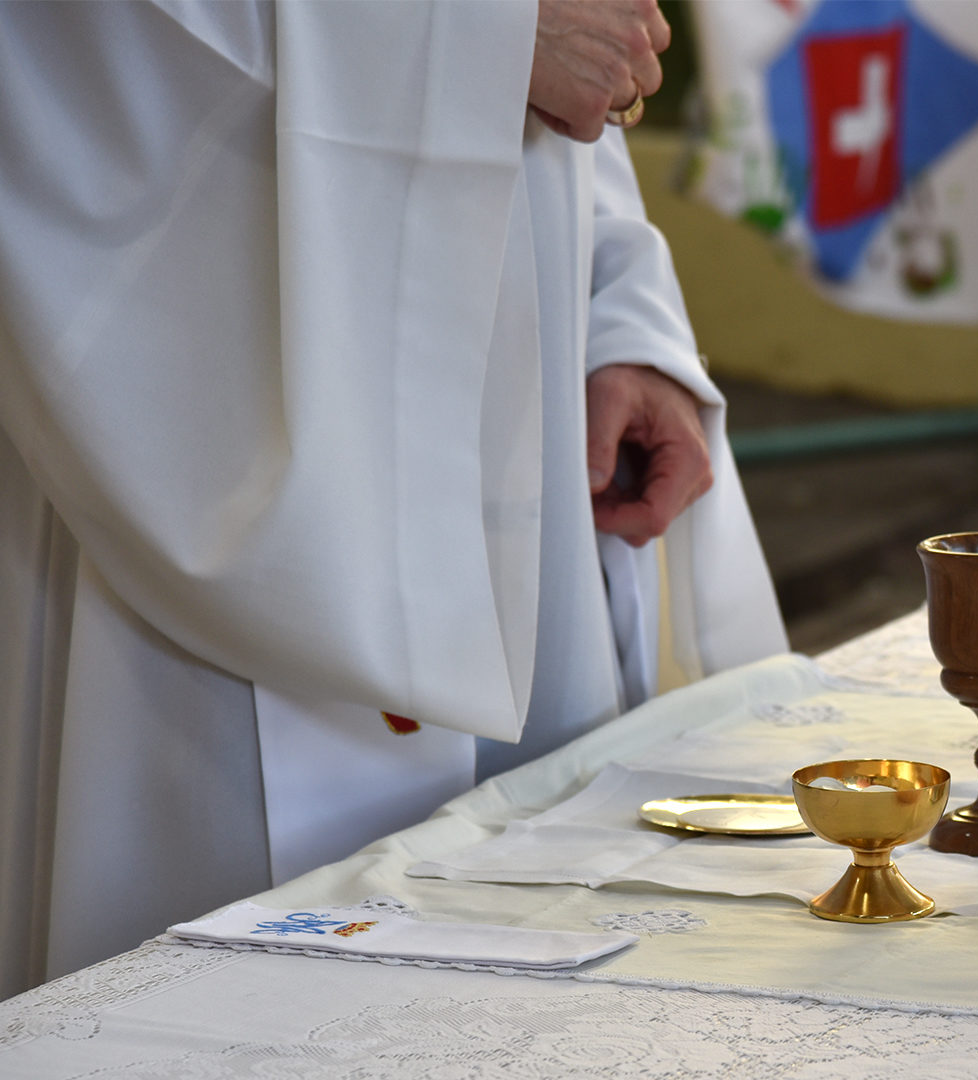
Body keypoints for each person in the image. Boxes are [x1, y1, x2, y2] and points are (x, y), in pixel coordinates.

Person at [0, 0, 786, 996]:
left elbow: (580, 60)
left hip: (521, 403)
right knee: (218, 996)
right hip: (206, 368)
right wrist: (470, 34)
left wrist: (617, 307)